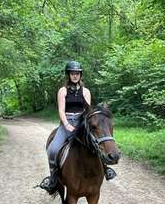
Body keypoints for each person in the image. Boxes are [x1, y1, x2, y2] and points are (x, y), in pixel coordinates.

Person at [39, 60, 116, 194]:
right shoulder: (62, 91)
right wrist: (67, 125)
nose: (75, 76)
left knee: (95, 144)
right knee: (53, 148)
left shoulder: (86, 91)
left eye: (77, 73)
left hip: (82, 122)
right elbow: (61, 111)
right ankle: (53, 178)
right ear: (68, 75)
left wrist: (84, 125)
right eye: (72, 73)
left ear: (80, 75)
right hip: (66, 122)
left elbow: (88, 111)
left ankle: (105, 169)